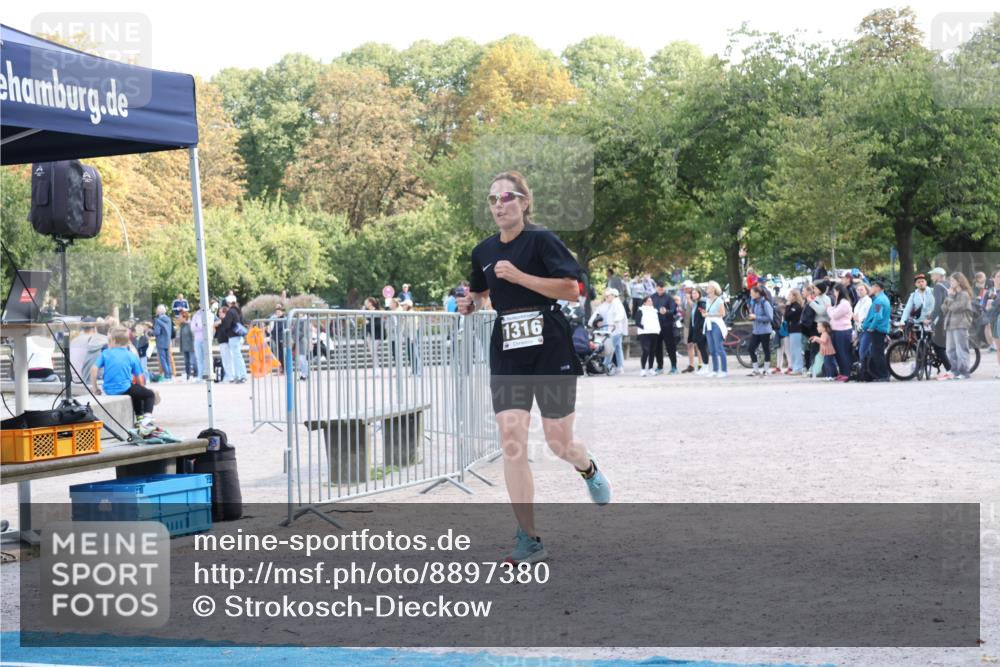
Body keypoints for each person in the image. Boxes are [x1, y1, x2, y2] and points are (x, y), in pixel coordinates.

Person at [458, 170, 610, 565]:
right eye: (492, 200)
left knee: (559, 440)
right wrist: (471, 304)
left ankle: (587, 466)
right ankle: (529, 539)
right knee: (511, 439)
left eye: (506, 197)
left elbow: (572, 289)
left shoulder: (542, 241)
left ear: (524, 202)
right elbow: (479, 293)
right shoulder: (483, 251)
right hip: (508, 346)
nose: (498, 205)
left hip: (550, 343)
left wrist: (520, 275)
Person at [91, 326, 161, 436]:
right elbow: (139, 377)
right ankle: (147, 419)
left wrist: (95, 388)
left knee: (136, 392)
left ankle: (139, 418)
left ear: (113, 341)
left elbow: (94, 369)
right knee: (148, 394)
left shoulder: (105, 353)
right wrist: (142, 388)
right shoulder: (131, 356)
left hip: (109, 389)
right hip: (124, 388)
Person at [939, 272, 976, 380]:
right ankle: (955, 371)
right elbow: (944, 309)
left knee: (961, 349)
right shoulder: (952, 294)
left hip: (960, 324)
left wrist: (950, 297)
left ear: (959, 281)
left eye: (952, 280)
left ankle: (964, 372)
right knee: (950, 350)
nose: (950, 283)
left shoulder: (964, 294)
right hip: (950, 324)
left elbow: (955, 308)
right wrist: (949, 297)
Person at [589, 288, 628, 375]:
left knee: (610, 348)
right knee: (617, 348)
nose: (607, 297)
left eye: (608, 296)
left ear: (613, 295)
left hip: (615, 330)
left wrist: (615, 321)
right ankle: (620, 367)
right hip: (614, 330)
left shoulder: (616, 302)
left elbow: (620, 314)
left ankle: (604, 366)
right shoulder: (613, 303)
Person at [861, 280, 892, 381]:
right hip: (880, 329)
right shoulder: (883, 298)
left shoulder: (879, 300)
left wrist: (871, 327)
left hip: (877, 330)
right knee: (878, 353)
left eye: (872, 287)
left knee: (877, 354)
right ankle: (880, 375)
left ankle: (884, 375)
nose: (871, 289)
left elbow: (878, 316)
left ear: (877, 288)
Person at [827, 284, 854, 382]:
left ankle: (847, 373)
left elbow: (834, 315)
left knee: (844, 352)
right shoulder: (839, 303)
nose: (834, 294)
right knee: (838, 353)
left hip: (843, 330)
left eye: (835, 291)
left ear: (839, 291)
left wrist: (828, 308)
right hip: (836, 330)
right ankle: (842, 372)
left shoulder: (844, 303)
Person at [69, 317, 108, 385]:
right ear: (95, 328)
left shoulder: (73, 341)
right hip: (87, 379)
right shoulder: (95, 340)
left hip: (74, 378)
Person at [651, 282, 679, 374]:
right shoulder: (652, 297)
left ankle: (674, 367)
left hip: (667, 326)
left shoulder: (669, 297)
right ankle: (660, 367)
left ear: (665, 288)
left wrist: (666, 311)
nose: (661, 289)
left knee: (670, 347)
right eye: (659, 288)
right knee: (657, 347)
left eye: (662, 288)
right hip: (655, 326)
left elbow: (674, 311)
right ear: (656, 288)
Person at [927, 267, 952, 373]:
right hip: (949, 317)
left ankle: (949, 369)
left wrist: (932, 319)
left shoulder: (937, 286)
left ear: (938, 275)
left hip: (941, 319)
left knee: (937, 346)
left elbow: (938, 304)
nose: (931, 276)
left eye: (932, 274)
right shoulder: (948, 285)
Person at [702, 281, 728, 378]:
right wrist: (705, 314)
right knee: (712, 349)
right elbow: (709, 312)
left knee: (719, 348)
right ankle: (715, 370)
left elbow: (722, 314)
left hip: (716, 324)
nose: (707, 289)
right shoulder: (707, 300)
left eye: (708, 287)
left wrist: (709, 314)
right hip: (708, 324)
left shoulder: (719, 300)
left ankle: (724, 370)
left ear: (713, 288)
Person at [746, 285, 774, 376]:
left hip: (765, 330)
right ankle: (756, 370)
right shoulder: (754, 303)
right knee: (751, 349)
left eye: (752, 293)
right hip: (756, 331)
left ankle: (766, 370)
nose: (751, 295)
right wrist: (751, 317)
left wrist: (756, 317)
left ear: (757, 293)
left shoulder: (765, 303)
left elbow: (770, 317)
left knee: (766, 349)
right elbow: (754, 316)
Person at [635, 295, 661, 376]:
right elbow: (637, 322)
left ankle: (650, 368)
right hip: (644, 333)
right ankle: (643, 369)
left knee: (652, 351)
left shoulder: (655, 310)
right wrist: (645, 327)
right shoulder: (640, 310)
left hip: (654, 333)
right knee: (646, 350)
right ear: (645, 302)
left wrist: (657, 329)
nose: (651, 302)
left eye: (651, 301)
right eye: (649, 301)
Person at [684, 287, 708, 373]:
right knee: (700, 347)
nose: (694, 295)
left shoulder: (701, 303)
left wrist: (700, 327)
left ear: (699, 294)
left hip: (700, 329)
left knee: (702, 348)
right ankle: (704, 367)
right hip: (695, 329)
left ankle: (704, 366)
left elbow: (703, 316)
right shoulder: (696, 303)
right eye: (693, 293)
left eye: (695, 293)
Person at [853, 283, 873, 370]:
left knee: (863, 351)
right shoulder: (859, 302)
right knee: (864, 351)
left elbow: (867, 315)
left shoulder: (868, 301)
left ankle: (865, 371)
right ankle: (866, 371)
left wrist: (858, 318)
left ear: (866, 290)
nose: (859, 292)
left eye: (862, 290)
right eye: (858, 290)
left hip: (866, 328)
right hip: (859, 329)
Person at [785, 289, 805, 375]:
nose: (788, 297)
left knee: (796, 349)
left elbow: (787, 316)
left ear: (794, 296)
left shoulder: (796, 306)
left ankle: (798, 368)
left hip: (796, 330)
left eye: (789, 295)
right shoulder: (792, 306)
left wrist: (787, 306)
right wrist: (788, 306)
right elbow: (786, 317)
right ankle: (794, 366)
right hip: (792, 329)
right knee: (792, 349)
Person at [153, 305, 173, 381]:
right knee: (168, 358)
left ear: (158, 311)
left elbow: (157, 332)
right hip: (167, 341)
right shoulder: (168, 319)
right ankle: (170, 374)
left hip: (160, 342)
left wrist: (153, 332)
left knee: (163, 359)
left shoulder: (158, 320)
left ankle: (167, 375)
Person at [190, 306, 208, 381]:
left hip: (205, 339)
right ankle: (200, 376)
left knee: (205, 358)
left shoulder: (208, 313)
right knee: (199, 358)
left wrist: (198, 326)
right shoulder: (196, 315)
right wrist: (200, 326)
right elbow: (192, 327)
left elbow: (206, 326)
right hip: (197, 339)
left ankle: (205, 374)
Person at [178, 311, 196, 381]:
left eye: (180, 317)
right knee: (186, 362)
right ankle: (188, 375)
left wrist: (193, 346)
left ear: (184, 317)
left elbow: (193, 336)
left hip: (191, 347)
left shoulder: (190, 324)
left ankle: (195, 375)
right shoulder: (182, 325)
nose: (179, 318)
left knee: (193, 361)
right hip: (185, 347)